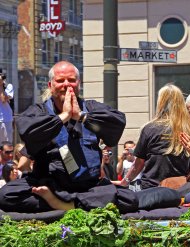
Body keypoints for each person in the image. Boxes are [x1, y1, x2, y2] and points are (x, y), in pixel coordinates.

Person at [0, 61, 138, 213]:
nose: (67, 84)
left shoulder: (91, 108)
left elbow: (117, 122)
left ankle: (63, 205)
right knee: (6, 195)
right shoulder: (39, 111)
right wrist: (63, 117)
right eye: (60, 81)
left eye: (72, 80)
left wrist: (81, 116)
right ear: (50, 85)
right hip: (50, 185)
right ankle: (77, 204)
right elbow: (27, 130)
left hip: (88, 187)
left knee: (129, 198)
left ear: (79, 83)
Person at [113, 84, 190, 191]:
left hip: (152, 189)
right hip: (181, 188)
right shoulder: (189, 128)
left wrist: (124, 181)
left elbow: (138, 163)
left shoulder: (150, 128)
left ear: (160, 103)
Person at [0, 74, 13, 143]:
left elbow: (3, 100)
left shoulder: (8, 86)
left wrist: (1, 85)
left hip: (5, 119)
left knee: (6, 146)